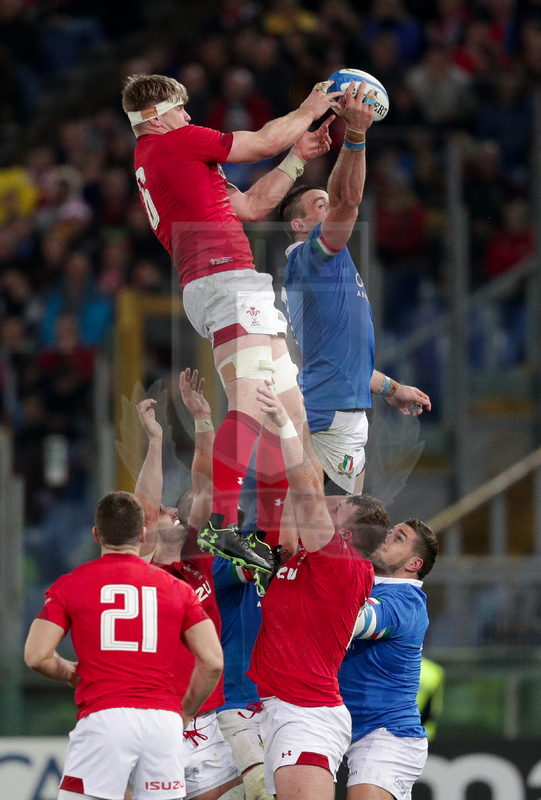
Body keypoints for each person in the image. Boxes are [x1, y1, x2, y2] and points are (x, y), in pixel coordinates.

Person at [121, 73, 341, 572]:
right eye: (180, 108)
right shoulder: (174, 142)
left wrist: (298, 156)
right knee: (249, 403)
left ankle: (278, 540)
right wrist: (308, 107)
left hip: (224, 285)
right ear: (156, 117)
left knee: (291, 416)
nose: (188, 117)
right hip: (226, 280)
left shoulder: (165, 158)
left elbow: (252, 205)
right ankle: (222, 522)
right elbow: (261, 140)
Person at [279, 81, 431, 495]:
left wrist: (392, 389)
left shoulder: (326, 268)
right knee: (331, 535)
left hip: (338, 404)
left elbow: (340, 358)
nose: (330, 208)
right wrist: (357, 136)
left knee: (337, 533)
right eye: (319, 205)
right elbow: (347, 201)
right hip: (330, 411)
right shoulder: (312, 257)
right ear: (299, 225)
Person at [24, 491, 223, 800]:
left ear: (95, 534)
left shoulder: (71, 584)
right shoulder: (178, 590)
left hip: (105, 717)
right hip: (163, 724)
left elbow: (37, 656)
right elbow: (212, 661)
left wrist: (69, 671)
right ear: (142, 534)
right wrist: (183, 712)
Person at [247, 382, 375, 800]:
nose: (328, 505)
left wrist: (285, 423)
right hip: (275, 708)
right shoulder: (309, 556)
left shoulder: (342, 566)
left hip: (306, 715)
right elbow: (307, 486)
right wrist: (297, 412)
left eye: (337, 510)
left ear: (350, 534)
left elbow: (306, 490)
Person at [135, 379, 244, 800]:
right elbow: (145, 507)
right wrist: (155, 441)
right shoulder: (140, 566)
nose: (170, 512)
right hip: (153, 719)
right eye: (163, 512)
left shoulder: (197, 560)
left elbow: (204, 487)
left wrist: (202, 420)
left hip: (203, 718)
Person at [339, 517, 439, 800]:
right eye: (390, 531)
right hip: (351, 730)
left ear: (414, 564)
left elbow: (353, 621)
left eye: (399, 538)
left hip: (387, 735)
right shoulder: (371, 586)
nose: (386, 536)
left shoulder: (405, 601)